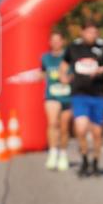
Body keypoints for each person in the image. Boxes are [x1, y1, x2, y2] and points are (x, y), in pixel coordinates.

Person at [61, 21, 103, 178]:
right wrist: (63, 76)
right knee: (81, 129)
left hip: (98, 95)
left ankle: (95, 162)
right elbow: (64, 65)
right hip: (79, 94)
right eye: (89, 32)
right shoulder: (73, 48)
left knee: (97, 133)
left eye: (94, 32)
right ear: (82, 32)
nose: (92, 35)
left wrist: (101, 70)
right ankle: (84, 159)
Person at [41, 31, 72, 171]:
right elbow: (42, 72)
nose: (55, 43)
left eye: (58, 40)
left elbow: (74, 74)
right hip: (51, 95)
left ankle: (63, 153)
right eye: (52, 40)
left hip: (67, 95)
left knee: (64, 127)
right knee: (53, 123)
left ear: (62, 42)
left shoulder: (68, 56)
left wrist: (68, 79)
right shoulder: (45, 58)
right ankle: (53, 152)